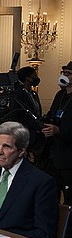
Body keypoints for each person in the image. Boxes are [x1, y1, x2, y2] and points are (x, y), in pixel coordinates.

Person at [41, 62, 72, 204]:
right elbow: (51, 115)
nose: (64, 76)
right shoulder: (60, 95)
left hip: (68, 158)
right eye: (63, 72)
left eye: (68, 73)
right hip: (53, 156)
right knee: (49, 193)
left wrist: (59, 131)